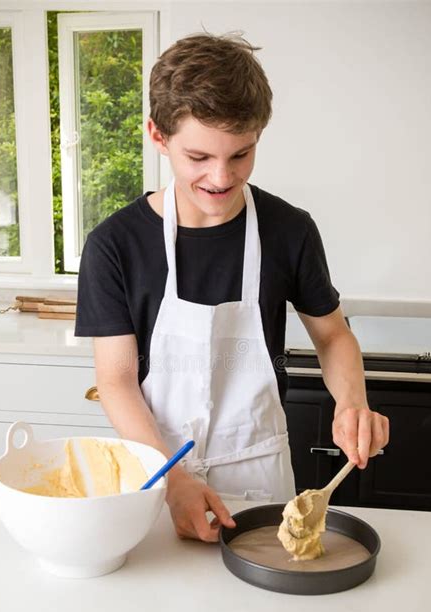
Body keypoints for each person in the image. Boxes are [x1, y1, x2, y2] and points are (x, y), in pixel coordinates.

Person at [75, 32, 389, 542]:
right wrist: (173, 479)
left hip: (260, 475)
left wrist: (352, 403)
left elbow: (333, 336)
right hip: (156, 472)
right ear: (158, 136)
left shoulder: (289, 230)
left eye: (240, 155)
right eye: (198, 157)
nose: (221, 177)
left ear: (258, 135)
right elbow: (116, 380)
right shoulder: (116, 244)